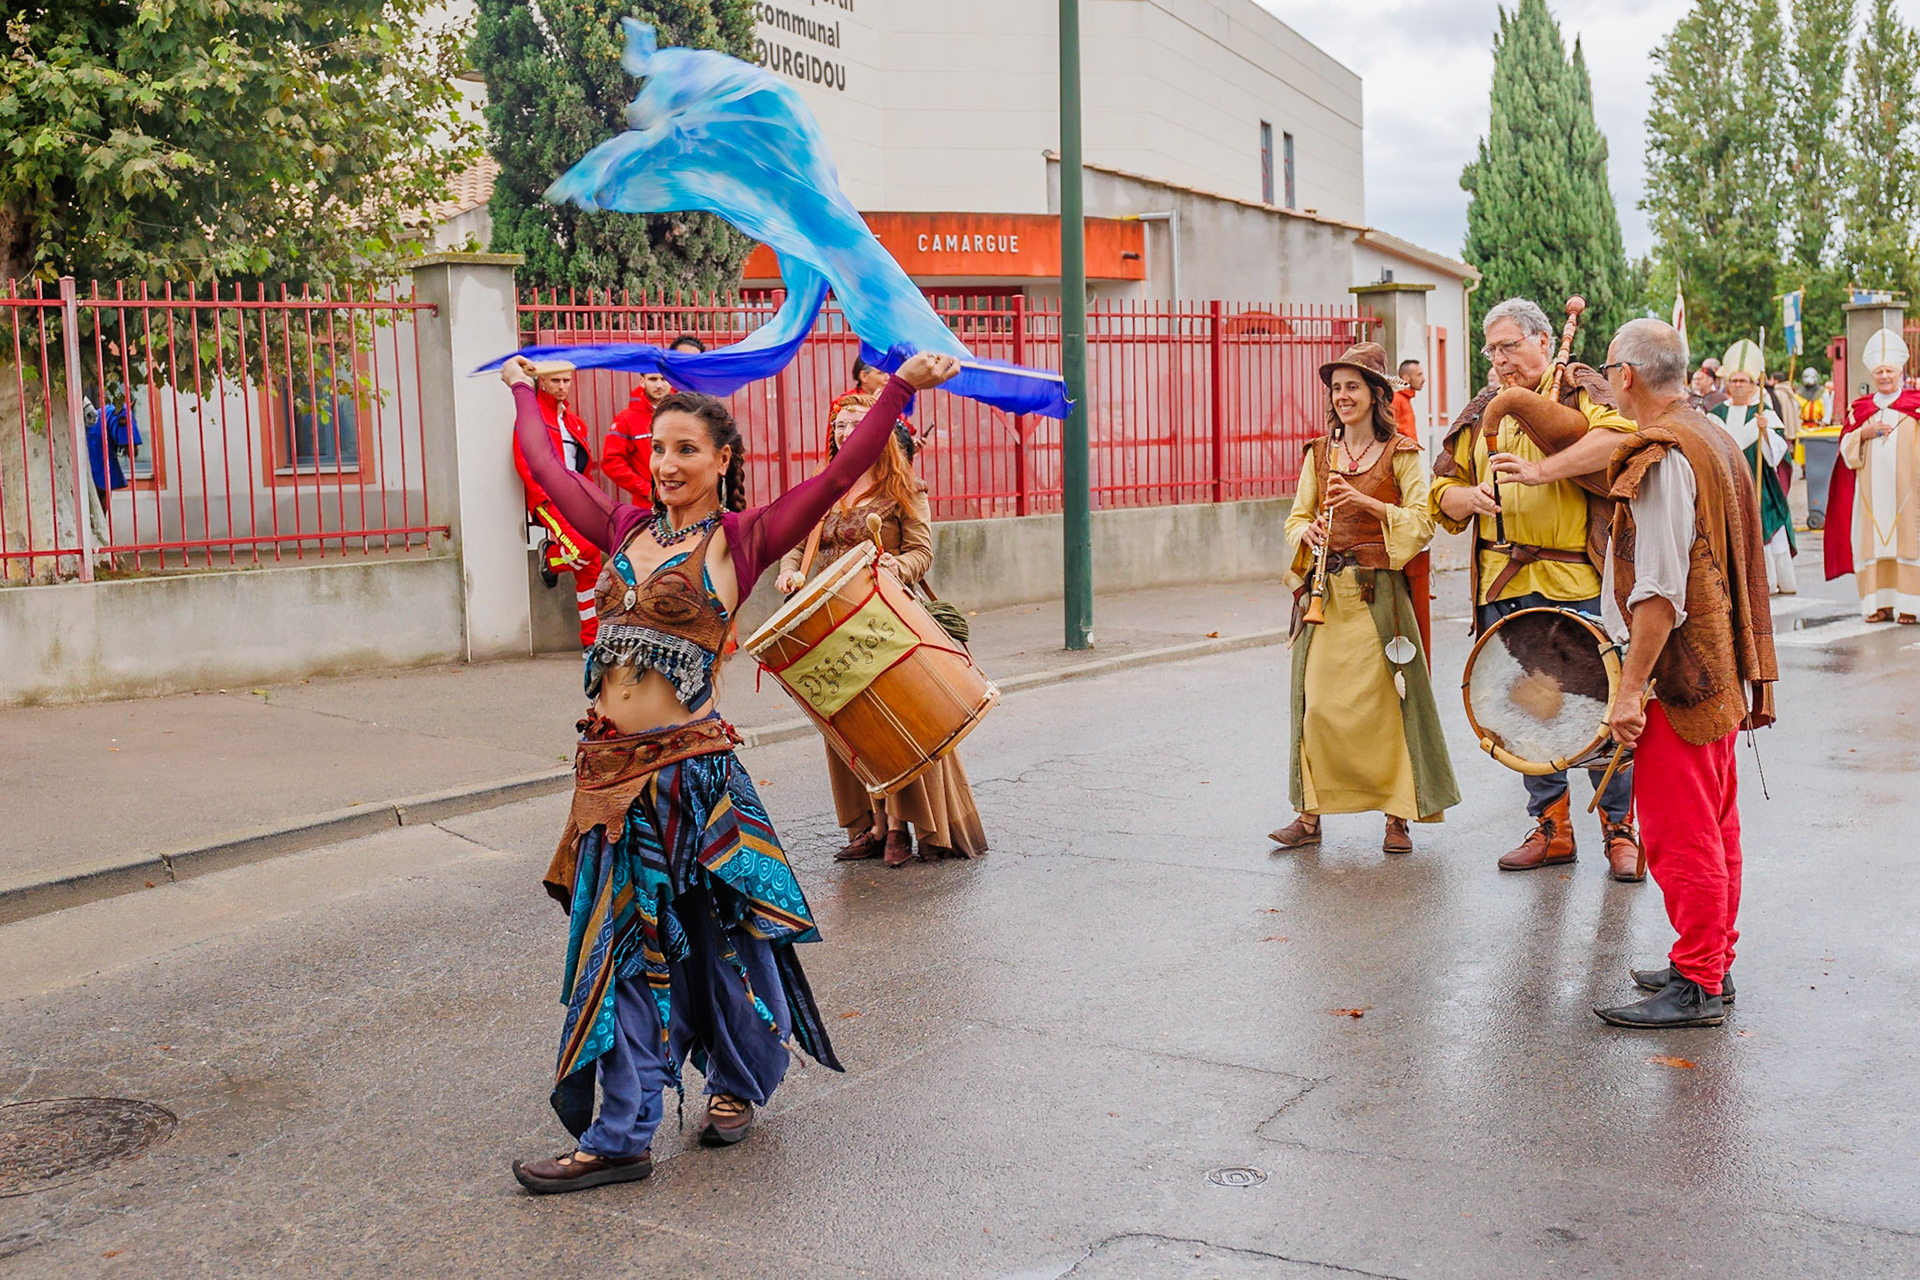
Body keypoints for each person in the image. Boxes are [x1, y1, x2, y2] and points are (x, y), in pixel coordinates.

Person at [503, 348, 963, 1195]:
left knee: (724, 946)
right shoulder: (622, 530)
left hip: (694, 778)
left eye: (687, 450)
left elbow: (835, 481)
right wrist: (530, 395)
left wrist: (899, 389)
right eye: (658, 449)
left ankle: (738, 1081)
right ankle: (622, 1135)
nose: (667, 464)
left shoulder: (742, 538)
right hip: (609, 784)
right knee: (621, 953)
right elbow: (540, 467)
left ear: (722, 461)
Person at [1505, 318, 1775, 1028]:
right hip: (1715, 671)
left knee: (1683, 835)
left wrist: (1630, 690)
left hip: (1677, 677)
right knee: (1717, 827)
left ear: (1625, 375)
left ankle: (1698, 985)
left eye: (1608, 370)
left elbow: (1659, 594)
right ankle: (1711, 960)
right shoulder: (1712, 433)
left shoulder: (1664, 453)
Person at [1430, 297, 1643, 881]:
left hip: (1575, 581)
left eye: (1510, 346)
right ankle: (1552, 827)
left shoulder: (1581, 390)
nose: (1500, 360)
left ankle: (1619, 828)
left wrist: (1544, 470)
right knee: (1529, 714)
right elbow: (1439, 490)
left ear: (1544, 342)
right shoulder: (1480, 411)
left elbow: (1622, 444)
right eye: (1492, 349)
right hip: (1506, 585)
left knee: (1598, 709)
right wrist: (1463, 499)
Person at [775, 393, 987, 866]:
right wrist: (790, 571)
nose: (846, 433)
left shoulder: (904, 486)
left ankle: (899, 827)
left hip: (882, 619)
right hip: (826, 625)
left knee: (895, 724)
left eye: (857, 424)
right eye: (839, 427)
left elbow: (921, 553)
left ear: (879, 431)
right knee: (847, 723)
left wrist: (897, 567)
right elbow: (797, 543)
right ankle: (870, 825)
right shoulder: (825, 487)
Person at [1270, 342, 1459, 855]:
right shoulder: (1319, 452)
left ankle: (1397, 818)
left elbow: (1423, 521)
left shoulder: (1403, 454)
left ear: (1376, 393)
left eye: (1352, 386)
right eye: (1336, 388)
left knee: (1387, 709)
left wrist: (1368, 504)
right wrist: (1304, 533)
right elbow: (1294, 518)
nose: (1342, 396)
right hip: (1327, 597)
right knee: (1318, 709)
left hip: (1380, 599)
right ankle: (1309, 816)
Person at [1826, 329, 1920, 623]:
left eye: (1889, 371)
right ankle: (1876, 605)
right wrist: (1864, 434)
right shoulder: (1860, 410)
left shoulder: (1915, 405)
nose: (1884, 376)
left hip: (1908, 489)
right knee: (1871, 545)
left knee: (1908, 543)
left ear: (1901, 372)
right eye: (1879, 371)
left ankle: (1908, 606)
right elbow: (1845, 448)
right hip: (1869, 493)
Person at [513, 359, 602, 647]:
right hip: (549, 501)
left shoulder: (573, 421)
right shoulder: (532, 416)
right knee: (585, 550)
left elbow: (582, 468)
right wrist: (545, 499)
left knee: (591, 566)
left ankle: (592, 641)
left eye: (566, 381)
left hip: (577, 498)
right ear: (541, 381)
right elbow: (525, 463)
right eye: (555, 381)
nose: (562, 387)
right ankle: (551, 560)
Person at [1710, 341, 1798, 594]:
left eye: (1743, 381)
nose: (1738, 385)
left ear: (1753, 385)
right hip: (1725, 482)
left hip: (1760, 484)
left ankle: (1769, 579)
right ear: (1727, 383)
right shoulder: (1716, 413)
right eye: (1734, 381)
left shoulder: (1763, 412)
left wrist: (1765, 432)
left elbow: (1779, 453)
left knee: (1765, 524)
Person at [601, 336, 710, 503]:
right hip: (649, 506)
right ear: (642, 381)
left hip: (688, 500)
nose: (659, 385)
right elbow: (612, 464)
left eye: (663, 379)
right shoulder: (626, 419)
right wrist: (647, 490)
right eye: (653, 379)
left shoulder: (688, 412)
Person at [1392, 359, 1424, 441]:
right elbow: (1389, 431)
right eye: (1419, 375)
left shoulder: (1405, 398)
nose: (1423, 379)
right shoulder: (1396, 399)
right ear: (1406, 378)